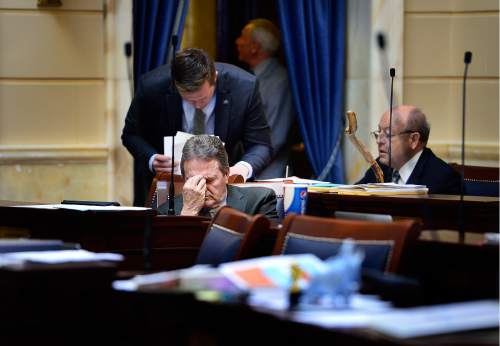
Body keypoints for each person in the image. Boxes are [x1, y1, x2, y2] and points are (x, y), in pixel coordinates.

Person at [122, 48, 272, 206]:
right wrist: (152, 159)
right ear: (175, 86)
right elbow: (131, 134)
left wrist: (241, 169)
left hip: (223, 189)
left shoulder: (244, 87)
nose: (197, 106)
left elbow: (261, 144)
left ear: (214, 78)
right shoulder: (152, 86)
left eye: (203, 98)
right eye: (189, 100)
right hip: (167, 187)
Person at [158, 135, 278, 219]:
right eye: (194, 181)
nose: (202, 188)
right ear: (184, 179)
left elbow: (267, 251)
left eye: (209, 180)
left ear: (226, 174)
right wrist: (189, 212)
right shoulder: (164, 212)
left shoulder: (260, 200)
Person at [236, 19, 295, 179]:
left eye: (242, 37)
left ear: (255, 47)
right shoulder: (251, 77)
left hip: (268, 176)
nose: (237, 41)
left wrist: (248, 164)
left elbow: (275, 137)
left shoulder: (279, 81)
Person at [357, 105, 461, 194]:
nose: (379, 140)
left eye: (388, 134)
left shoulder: (443, 178)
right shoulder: (381, 167)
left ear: (414, 140)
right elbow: (352, 197)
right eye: (379, 132)